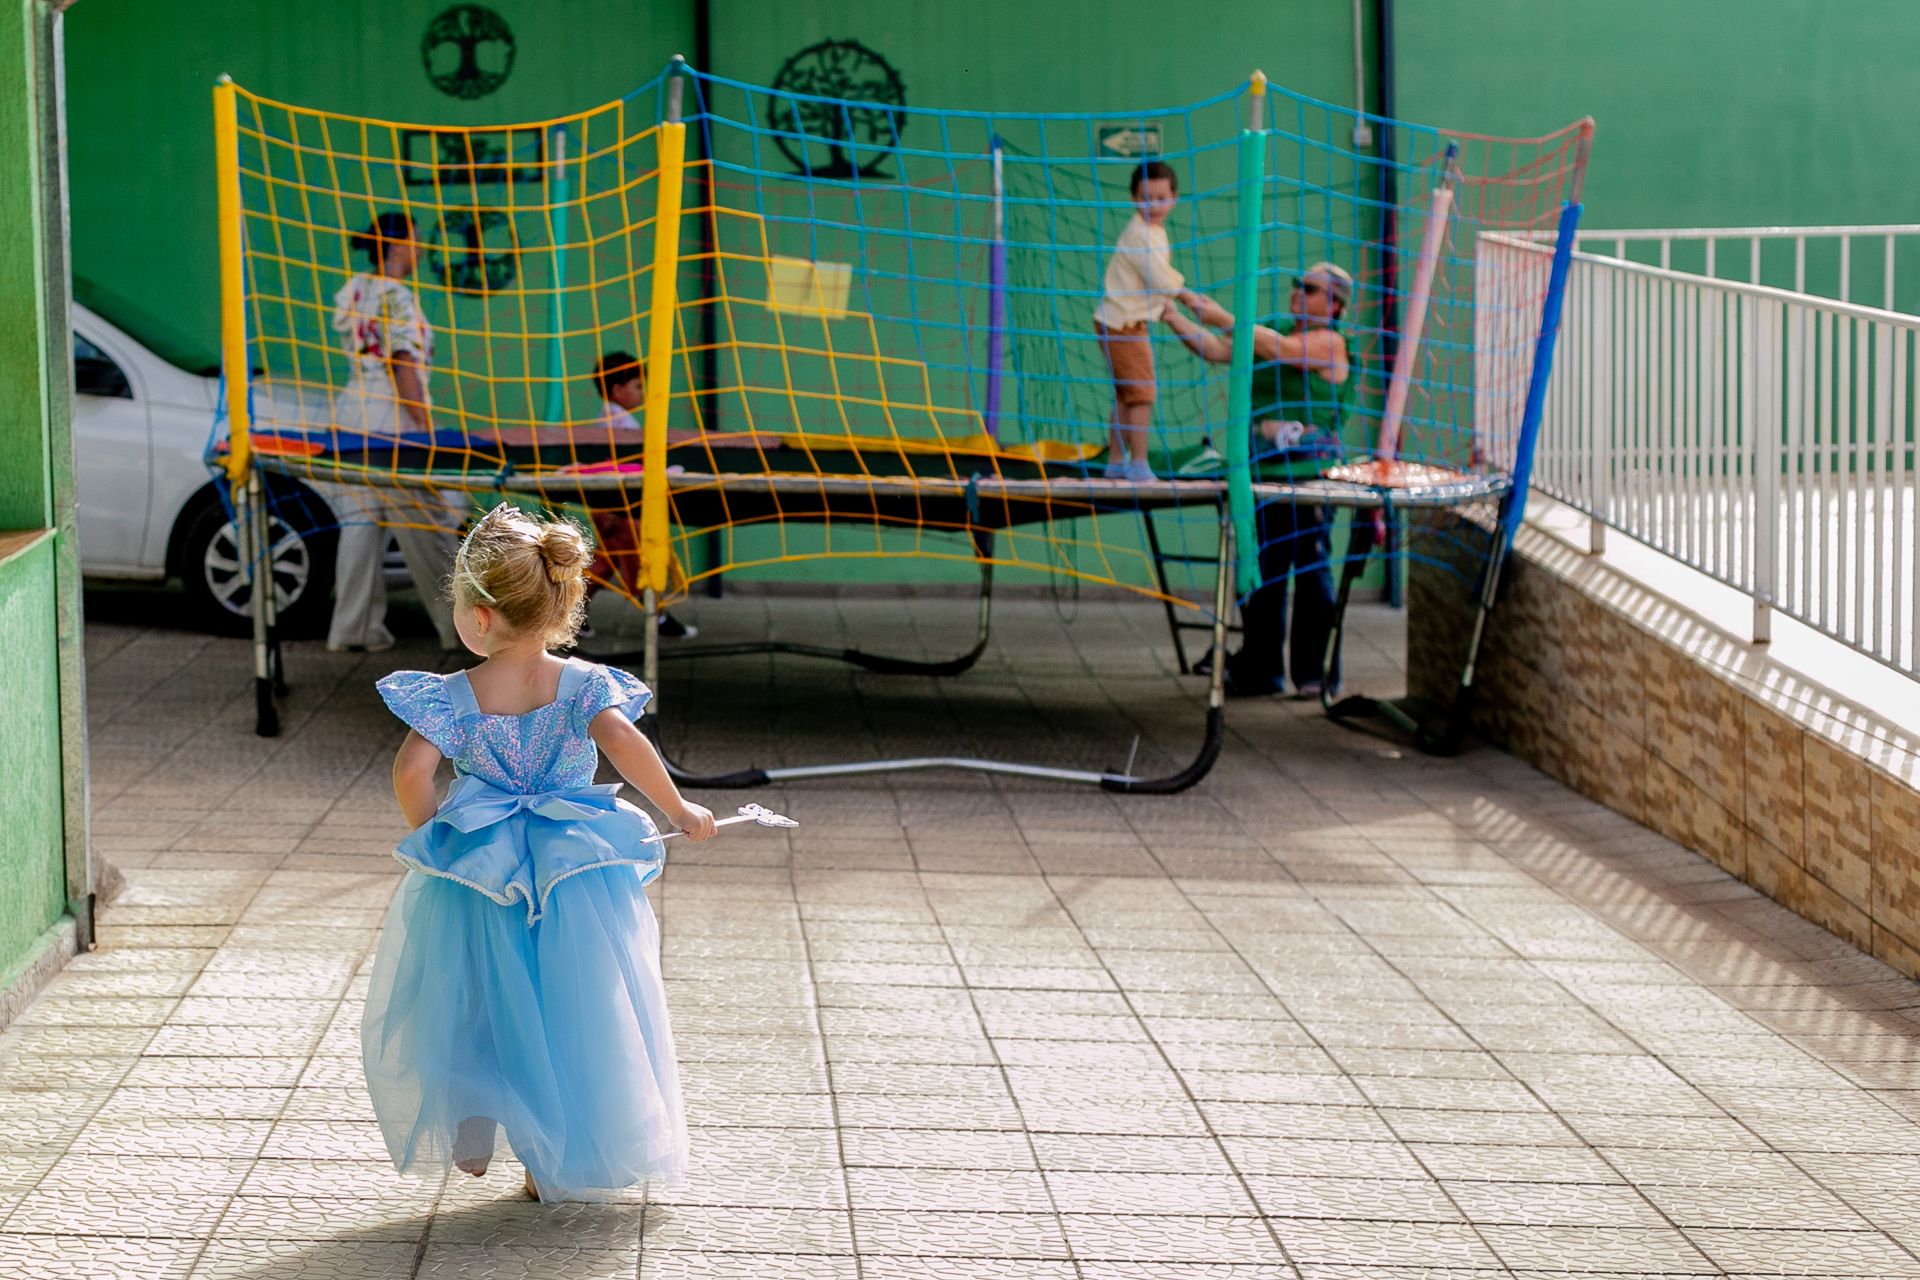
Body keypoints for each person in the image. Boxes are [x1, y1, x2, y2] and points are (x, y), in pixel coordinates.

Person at [364, 502, 717, 1201]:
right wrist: (678, 809)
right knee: (575, 1003)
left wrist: (438, 836)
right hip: (570, 871)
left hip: (484, 875)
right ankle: (550, 1158)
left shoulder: (454, 695)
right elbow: (624, 743)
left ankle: (475, 1121)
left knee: (476, 997)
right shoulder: (583, 685)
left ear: (479, 617)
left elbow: (411, 773)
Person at [1162, 261, 1354, 697]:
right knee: (1262, 569)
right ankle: (1262, 669)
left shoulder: (1331, 342)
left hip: (1309, 476)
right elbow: (1216, 349)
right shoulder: (1269, 331)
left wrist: (1222, 316)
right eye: (1297, 285)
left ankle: (1314, 674)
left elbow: (1283, 350)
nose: (1297, 292)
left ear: (1334, 304)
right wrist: (1171, 314)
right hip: (1263, 471)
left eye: (1309, 288)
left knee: (1311, 570)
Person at [322, 211, 465, 653]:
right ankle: (460, 629)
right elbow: (403, 362)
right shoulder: (399, 298)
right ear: (400, 244)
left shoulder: (355, 289)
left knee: (360, 522)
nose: (422, 248)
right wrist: (423, 425)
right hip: (390, 415)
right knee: (426, 522)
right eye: (417, 239)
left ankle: (353, 629)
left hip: (351, 412)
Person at [579, 351, 695, 640]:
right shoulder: (621, 424)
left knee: (607, 559)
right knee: (636, 559)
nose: (643, 392)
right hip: (619, 502)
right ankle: (657, 615)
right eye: (638, 386)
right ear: (618, 389)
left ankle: (572, 611)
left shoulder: (612, 417)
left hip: (611, 500)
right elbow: (630, 462)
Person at [1093, 159, 1184, 482]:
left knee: (1126, 394)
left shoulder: (1152, 231)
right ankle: (1139, 463)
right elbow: (1158, 276)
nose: (1153, 205)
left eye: (1161, 198)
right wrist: (1185, 295)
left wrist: (1162, 303)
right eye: (1146, 198)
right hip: (1123, 324)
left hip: (1117, 320)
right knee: (1143, 395)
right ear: (1133, 199)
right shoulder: (1141, 234)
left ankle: (1117, 462)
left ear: (1174, 198)